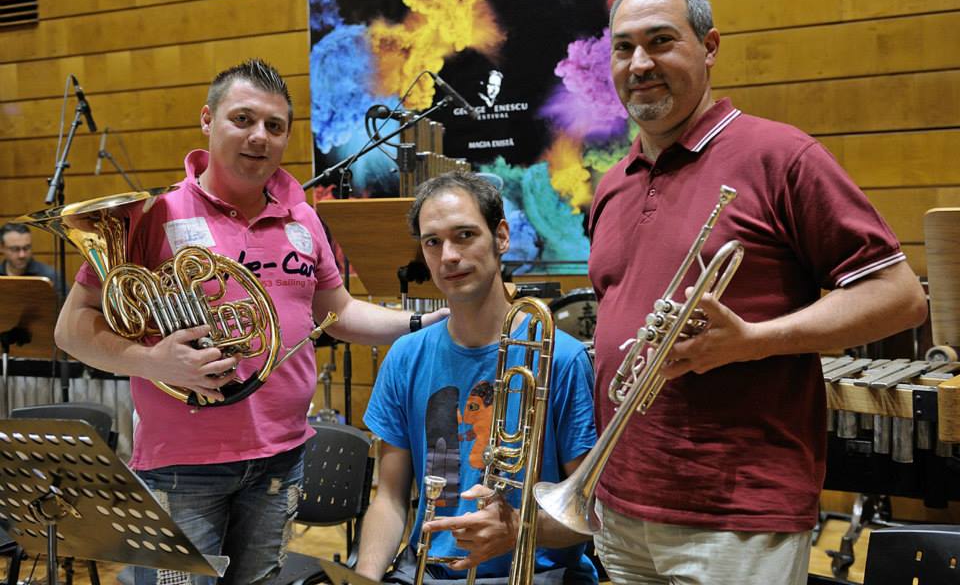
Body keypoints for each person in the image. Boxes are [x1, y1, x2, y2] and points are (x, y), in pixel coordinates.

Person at [587, 0, 928, 584]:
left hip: (737, 513)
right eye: (623, 47)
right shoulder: (613, 184)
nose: (639, 64)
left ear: (709, 46)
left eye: (661, 41)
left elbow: (898, 297)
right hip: (623, 503)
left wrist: (753, 341)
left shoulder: (781, 156)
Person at [53, 58, 445, 585]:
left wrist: (422, 323)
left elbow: (340, 313)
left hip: (281, 459)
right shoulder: (155, 215)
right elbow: (71, 329)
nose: (259, 136)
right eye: (243, 119)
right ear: (207, 120)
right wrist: (151, 360)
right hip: (182, 467)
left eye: (274, 126)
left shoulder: (303, 217)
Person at [356, 171, 599, 584]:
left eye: (465, 235)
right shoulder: (405, 357)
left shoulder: (562, 358)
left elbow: (591, 515)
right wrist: (365, 578)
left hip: (535, 575)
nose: (448, 255)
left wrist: (519, 529)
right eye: (433, 242)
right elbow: (390, 500)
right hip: (430, 573)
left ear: (501, 237)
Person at [0, 223, 64, 293]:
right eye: (15, 249)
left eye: (26, 248)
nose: (22, 255)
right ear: (1, 247)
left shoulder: (50, 276)